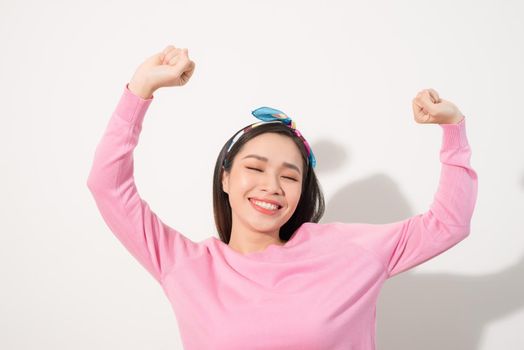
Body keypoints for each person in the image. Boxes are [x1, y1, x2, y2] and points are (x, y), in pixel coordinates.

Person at [86, 44, 478, 349]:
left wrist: (453, 129)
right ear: (225, 178)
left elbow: (448, 224)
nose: (271, 185)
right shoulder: (186, 265)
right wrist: (140, 88)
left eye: (289, 176)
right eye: (255, 169)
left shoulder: (347, 252)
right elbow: (108, 186)